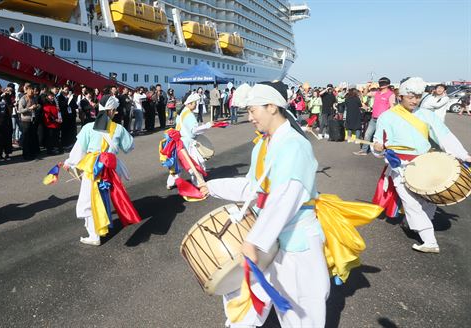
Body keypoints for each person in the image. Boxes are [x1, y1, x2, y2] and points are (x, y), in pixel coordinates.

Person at [201, 81, 382, 327]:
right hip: (266, 235)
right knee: (243, 304)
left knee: (301, 312)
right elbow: (252, 187)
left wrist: (256, 239)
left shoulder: (295, 146)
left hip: (295, 240)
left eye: (253, 110)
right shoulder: (263, 144)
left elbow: (287, 196)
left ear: (272, 107)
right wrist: (210, 187)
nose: (250, 117)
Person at [372, 77, 471, 253]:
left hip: (425, 163)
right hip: (400, 166)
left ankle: (417, 223)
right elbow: (378, 142)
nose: (415, 100)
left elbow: (444, 136)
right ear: (400, 96)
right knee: (411, 203)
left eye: (418, 96)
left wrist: (463, 154)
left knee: (428, 199)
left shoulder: (426, 115)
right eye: (410, 96)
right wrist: (378, 148)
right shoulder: (387, 117)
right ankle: (429, 240)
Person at [63, 95, 140, 246]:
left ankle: (94, 235)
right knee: (104, 197)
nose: (115, 112)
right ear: (111, 110)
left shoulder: (88, 127)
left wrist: (69, 163)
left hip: (93, 168)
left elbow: (79, 150)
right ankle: (102, 226)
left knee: (89, 200)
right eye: (115, 110)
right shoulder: (118, 129)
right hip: (111, 168)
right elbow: (129, 147)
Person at [164, 92, 211, 190]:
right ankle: (198, 183)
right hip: (187, 143)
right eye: (195, 103)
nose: (196, 105)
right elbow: (194, 130)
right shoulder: (189, 114)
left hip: (179, 142)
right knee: (195, 163)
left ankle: (170, 183)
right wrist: (207, 125)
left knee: (178, 165)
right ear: (189, 103)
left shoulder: (181, 112)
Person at [354, 77, 395, 155]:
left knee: (384, 137)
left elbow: (392, 108)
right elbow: (365, 94)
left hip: (383, 120)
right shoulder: (377, 92)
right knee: (367, 134)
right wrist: (367, 86)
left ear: (388, 85)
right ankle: (364, 150)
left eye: (383, 83)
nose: (381, 85)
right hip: (374, 118)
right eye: (380, 83)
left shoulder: (391, 94)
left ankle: (386, 152)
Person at [17, 83, 40, 160]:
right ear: (26, 90)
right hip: (25, 121)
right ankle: (26, 155)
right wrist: (29, 108)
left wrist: (37, 106)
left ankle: (31, 153)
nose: (32, 91)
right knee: (26, 139)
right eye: (30, 89)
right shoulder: (23, 99)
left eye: (32, 89)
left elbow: (36, 105)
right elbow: (20, 110)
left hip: (32, 120)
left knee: (31, 138)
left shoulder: (33, 98)